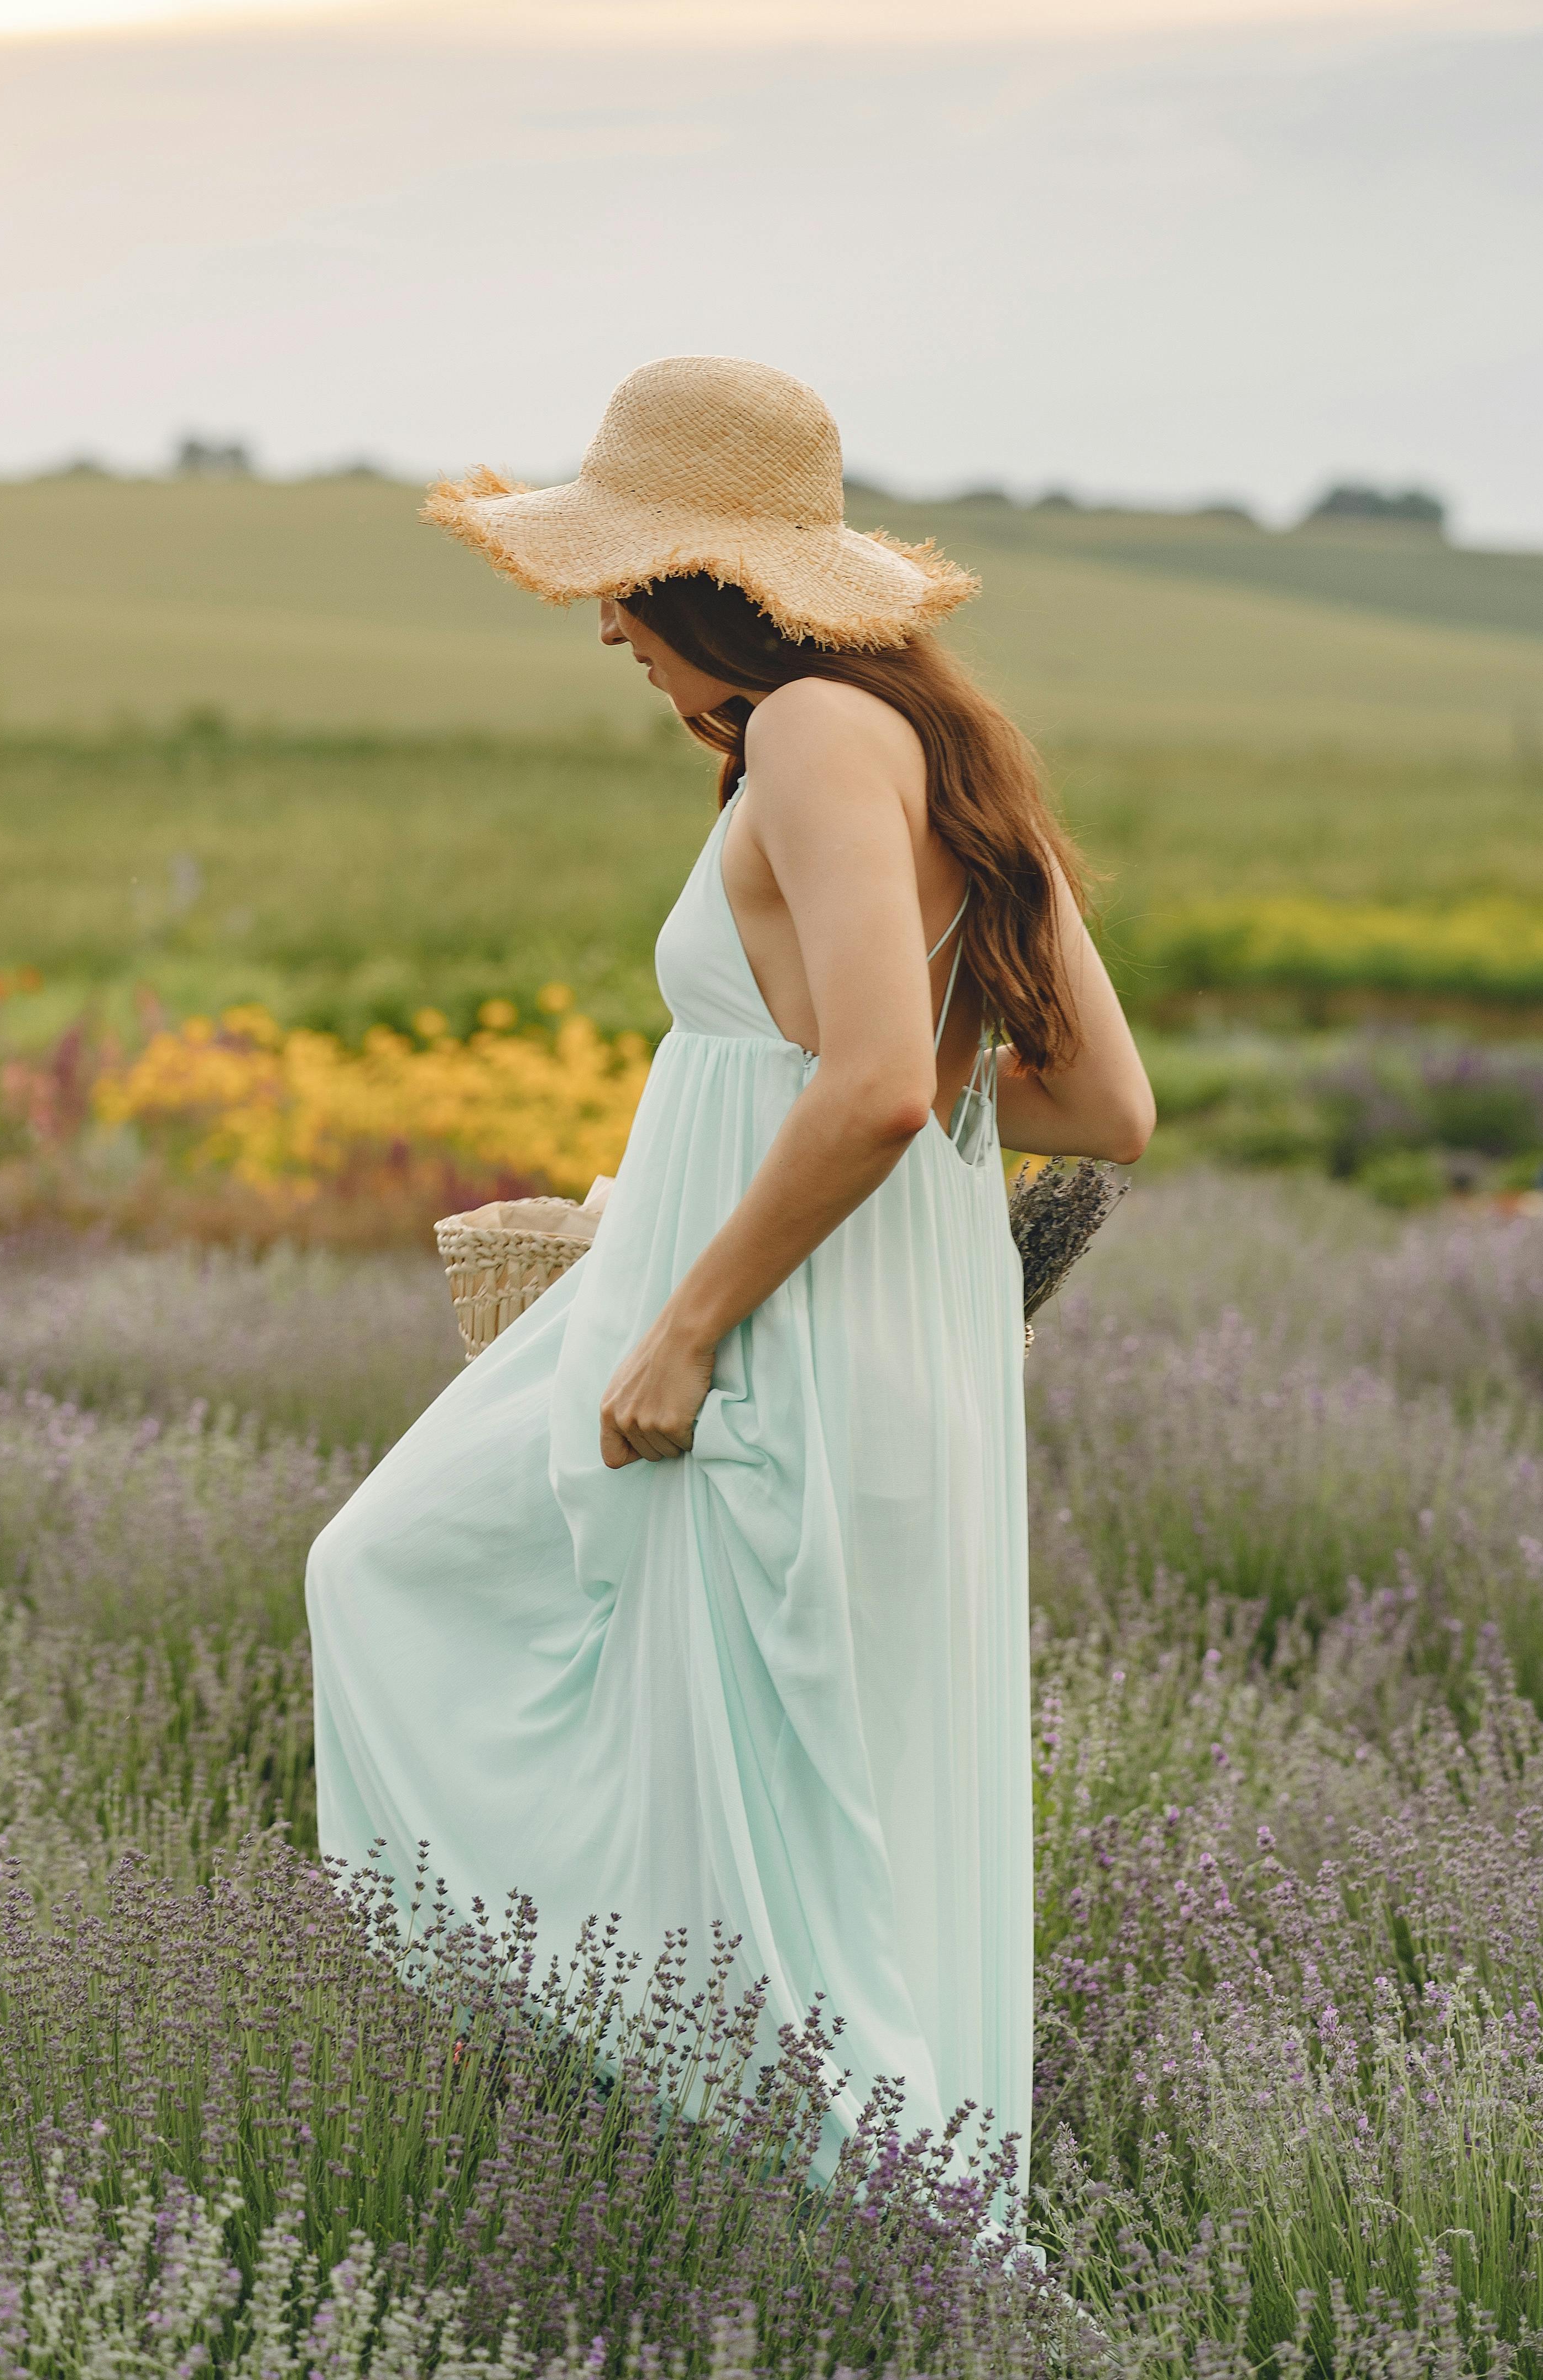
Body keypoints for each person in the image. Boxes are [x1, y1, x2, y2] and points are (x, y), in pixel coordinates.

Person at [305, 354, 1154, 2194]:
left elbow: (860, 1082)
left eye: (620, 580)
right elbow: (1102, 1104)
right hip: (854, 1323)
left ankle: (847, 2230)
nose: (607, 624)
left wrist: (694, 1312)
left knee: (732, 1787)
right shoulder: (936, 748)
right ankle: (750, 2188)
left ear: (701, 583)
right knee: (784, 1792)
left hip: (770, 1338)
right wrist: (729, 1176)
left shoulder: (813, 739)